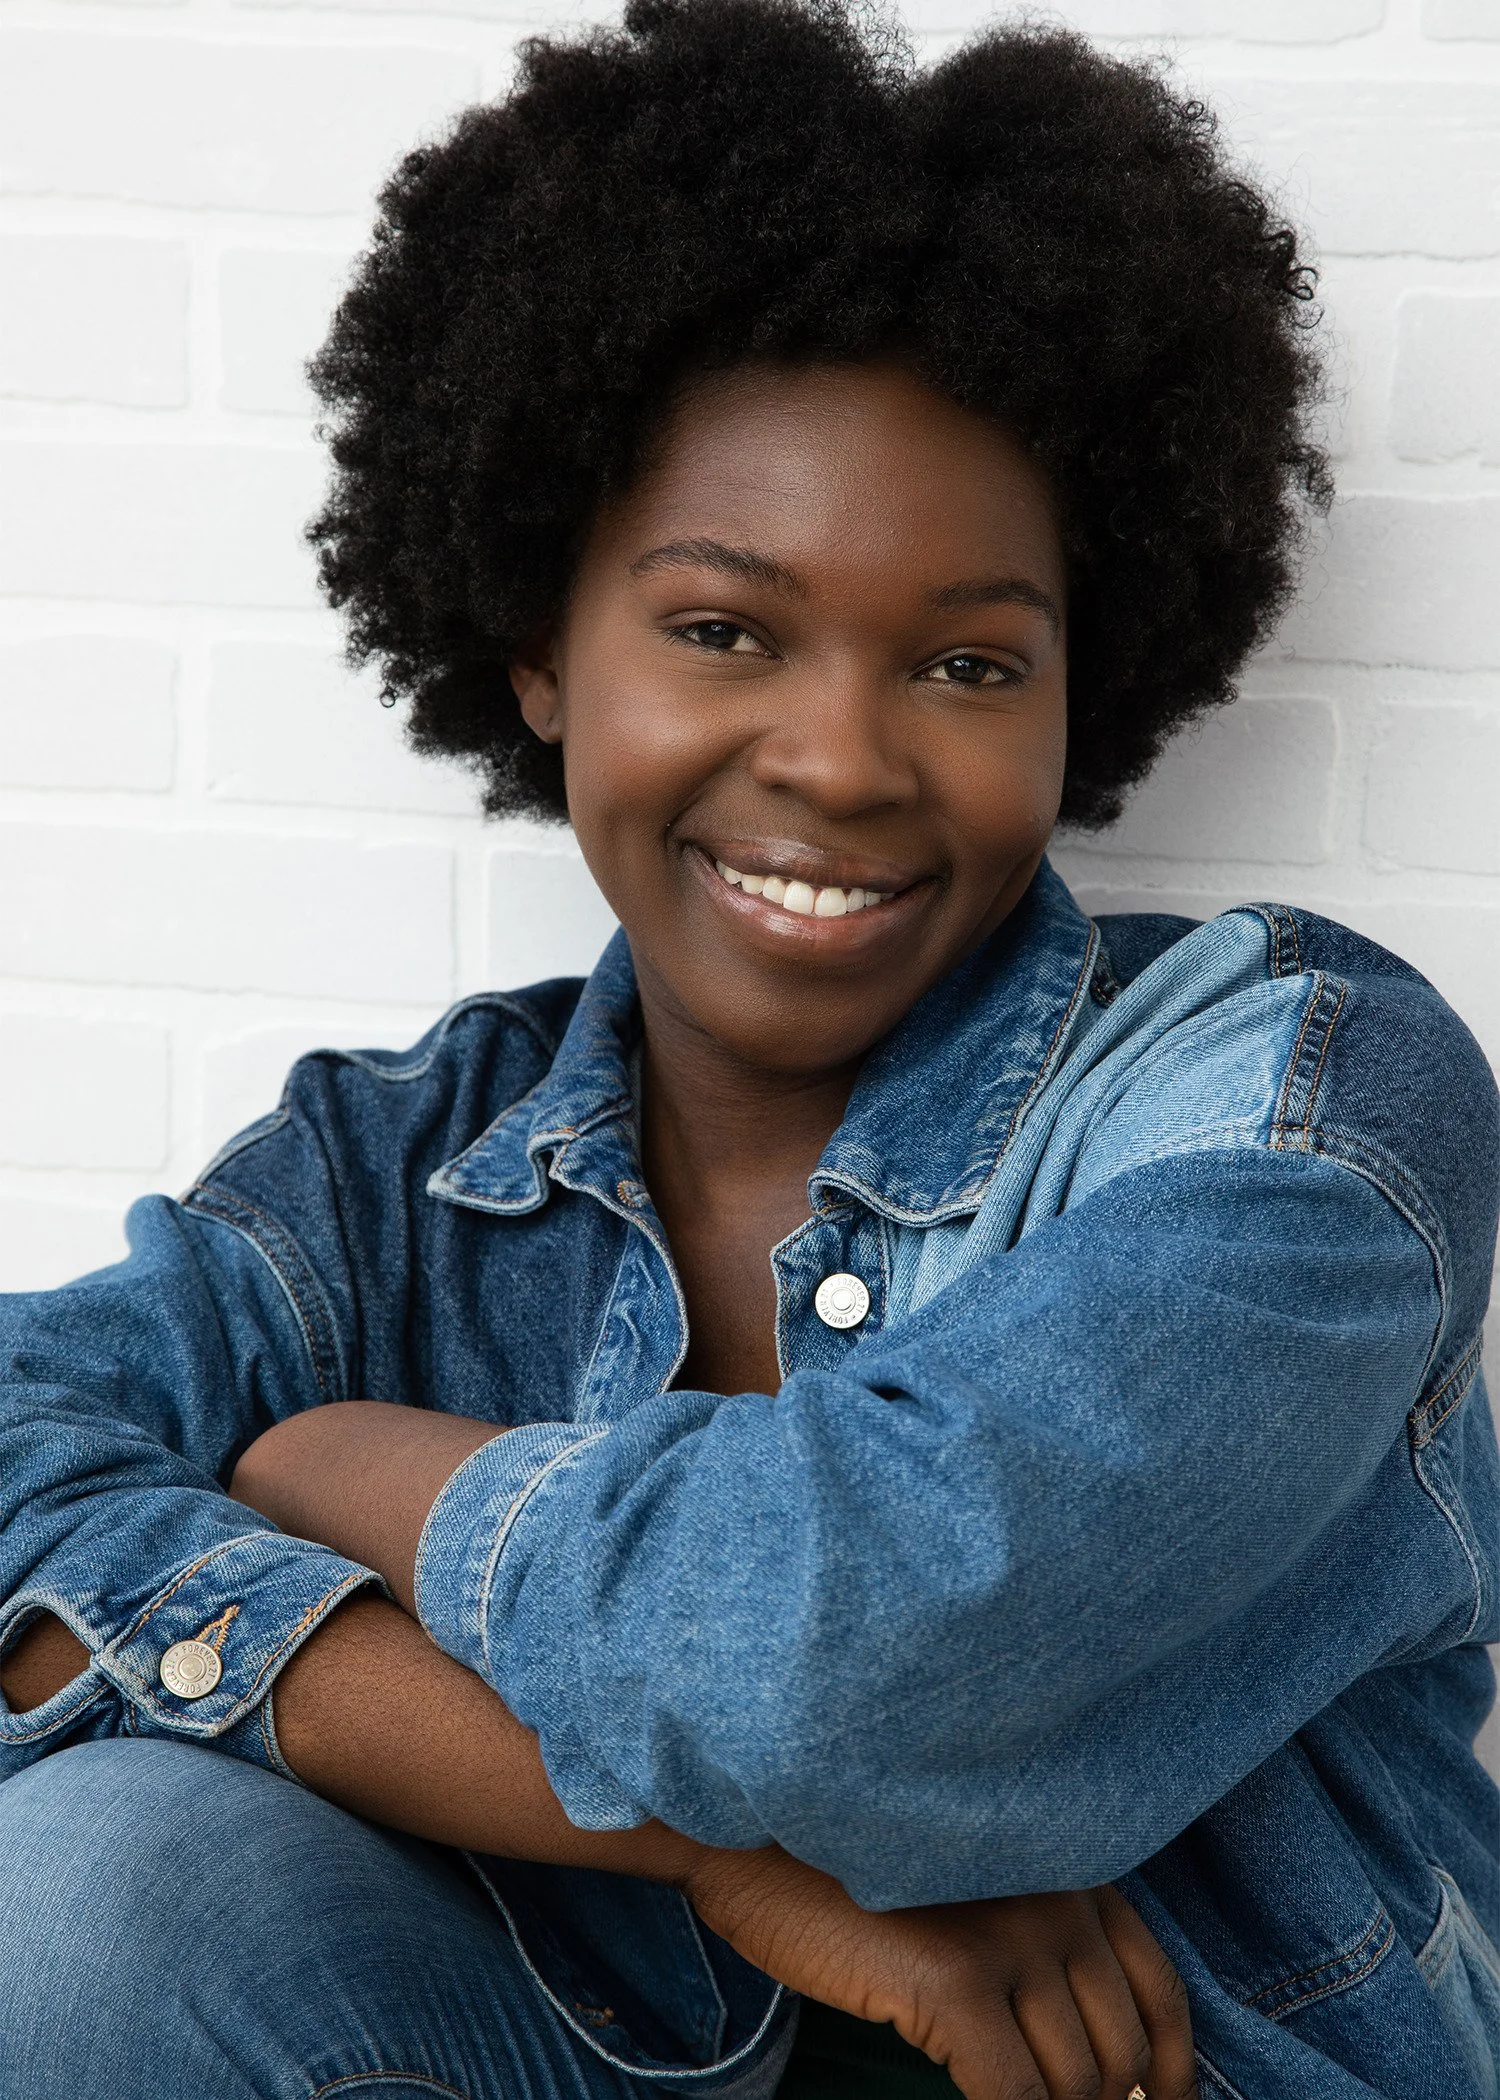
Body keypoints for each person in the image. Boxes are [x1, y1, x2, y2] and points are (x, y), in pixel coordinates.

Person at [0, 2, 1496, 2095]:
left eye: (968, 660)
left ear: (1092, 693)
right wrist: (730, 1863)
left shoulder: (1293, 1105)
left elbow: (847, 1662)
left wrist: (339, 1472)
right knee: (74, 1900)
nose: (839, 757)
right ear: (541, 643)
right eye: (723, 629)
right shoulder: (393, 1169)